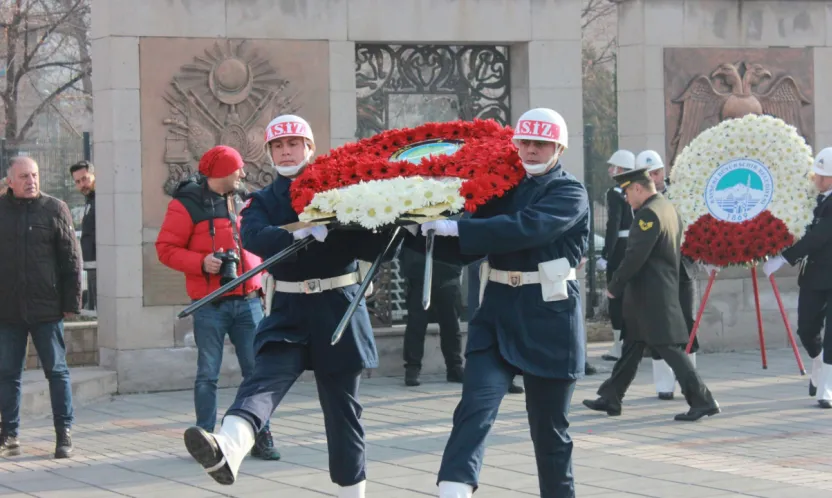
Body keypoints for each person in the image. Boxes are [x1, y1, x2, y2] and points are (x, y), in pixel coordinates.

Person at [181, 114, 400, 498]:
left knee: (343, 415)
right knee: (262, 382)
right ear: (269, 153)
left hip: (338, 309)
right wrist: (301, 232)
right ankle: (228, 448)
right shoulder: (261, 200)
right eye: (278, 146)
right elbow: (254, 237)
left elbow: (373, 247)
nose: (286, 152)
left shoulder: (344, 191)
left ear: (310, 148)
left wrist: (395, 220)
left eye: (294, 144)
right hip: (289, 308)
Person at [411, 108, 590, 498]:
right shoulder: (502, 187)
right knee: (474, 409)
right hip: (496, 315)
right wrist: (417, 225)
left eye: (540, 144)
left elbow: (526, 228)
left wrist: (459, 228)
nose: (530, 150)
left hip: (549, 319)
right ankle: (454, 490)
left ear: (558, 147)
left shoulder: (569, 192)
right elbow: (466, 245)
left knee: (550, 433)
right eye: (524, 142)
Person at [156, 145, 281, 460]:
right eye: (238, 168)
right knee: (207, 373)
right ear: (222, 172)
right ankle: (205, 439)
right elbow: (165, 248)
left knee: (257, 372)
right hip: (209, 303)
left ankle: (261, 434)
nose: (243, 173)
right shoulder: (186, 205)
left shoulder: (247, 200)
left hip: (249, 299)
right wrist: (202, 262)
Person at [583, 167, 720, 421]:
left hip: (651, 295)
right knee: (632, 346)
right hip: (653, 293)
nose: (625, 199)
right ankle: (612, 395)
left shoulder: (648, 215)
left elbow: (635, 256)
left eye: (627, 193)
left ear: (637, 188)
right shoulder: (666, 207)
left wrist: (614, 286)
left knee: (669, 348)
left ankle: (703, 400)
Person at [0, 156, 81, 459]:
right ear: (10, 181)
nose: (30, 180)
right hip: (7, 310)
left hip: (47, 308)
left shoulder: (54, 208)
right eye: (23, 176)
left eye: (34, 174)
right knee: (8, 373)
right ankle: (9, 434)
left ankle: (64, 434)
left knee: (57, 372)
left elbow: (71, 259)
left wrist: (71, 303)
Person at [764, 147, 832, 409]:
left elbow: (818, 237)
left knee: (831, 337)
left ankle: (826, 389)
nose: (816, 179)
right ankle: (818, 363)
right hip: (815, 276)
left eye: (821, 175)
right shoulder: (815, 201)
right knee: (806, 329)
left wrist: (784, 258)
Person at [637, 149, 699, 400]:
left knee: (687, 321)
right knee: (658, 324)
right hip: (655, 272)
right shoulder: (636, 198)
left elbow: (696, 226)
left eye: (658, 172)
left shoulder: (681, 194)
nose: (655, 177)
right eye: (649, 174)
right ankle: (663, 384)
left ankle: (690, 381)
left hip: (683, 268)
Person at [400, 246, 464, 386]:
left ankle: (455, 367)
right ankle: (412, 368)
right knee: (416, 325)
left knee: (451, 325)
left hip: (448, 271)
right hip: (419, 273)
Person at [598, 150, 636, 362]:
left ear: (621, 169)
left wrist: (606, 254)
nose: (611, 170)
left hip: (620, 248)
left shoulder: (614, 192)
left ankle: (618, 346)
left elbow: (613, 224)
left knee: (615, 296)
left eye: (614, 167)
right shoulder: (637, 189)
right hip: (636, 246)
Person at [69, 161, 97, 311]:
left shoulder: (101, 199)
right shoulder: (90, 200)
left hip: (101, 265)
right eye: (78, 181)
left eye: (85, 179)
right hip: (92, 264)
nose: (82, 184)